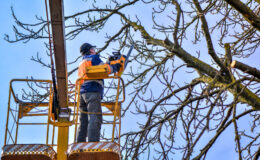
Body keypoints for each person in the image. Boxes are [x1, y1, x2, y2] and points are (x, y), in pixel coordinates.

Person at [77, 43, 121, 142]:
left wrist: (108, 62)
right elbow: (104, 69)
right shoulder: (94, 58)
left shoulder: (82, 62)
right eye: (94, 48)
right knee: (94, 116)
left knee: (83, 120)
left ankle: (80, 142)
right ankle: (93, 143)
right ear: (91, 50)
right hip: (92, 90)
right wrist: (114, 67)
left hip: (82, 93)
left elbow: (97, 70)